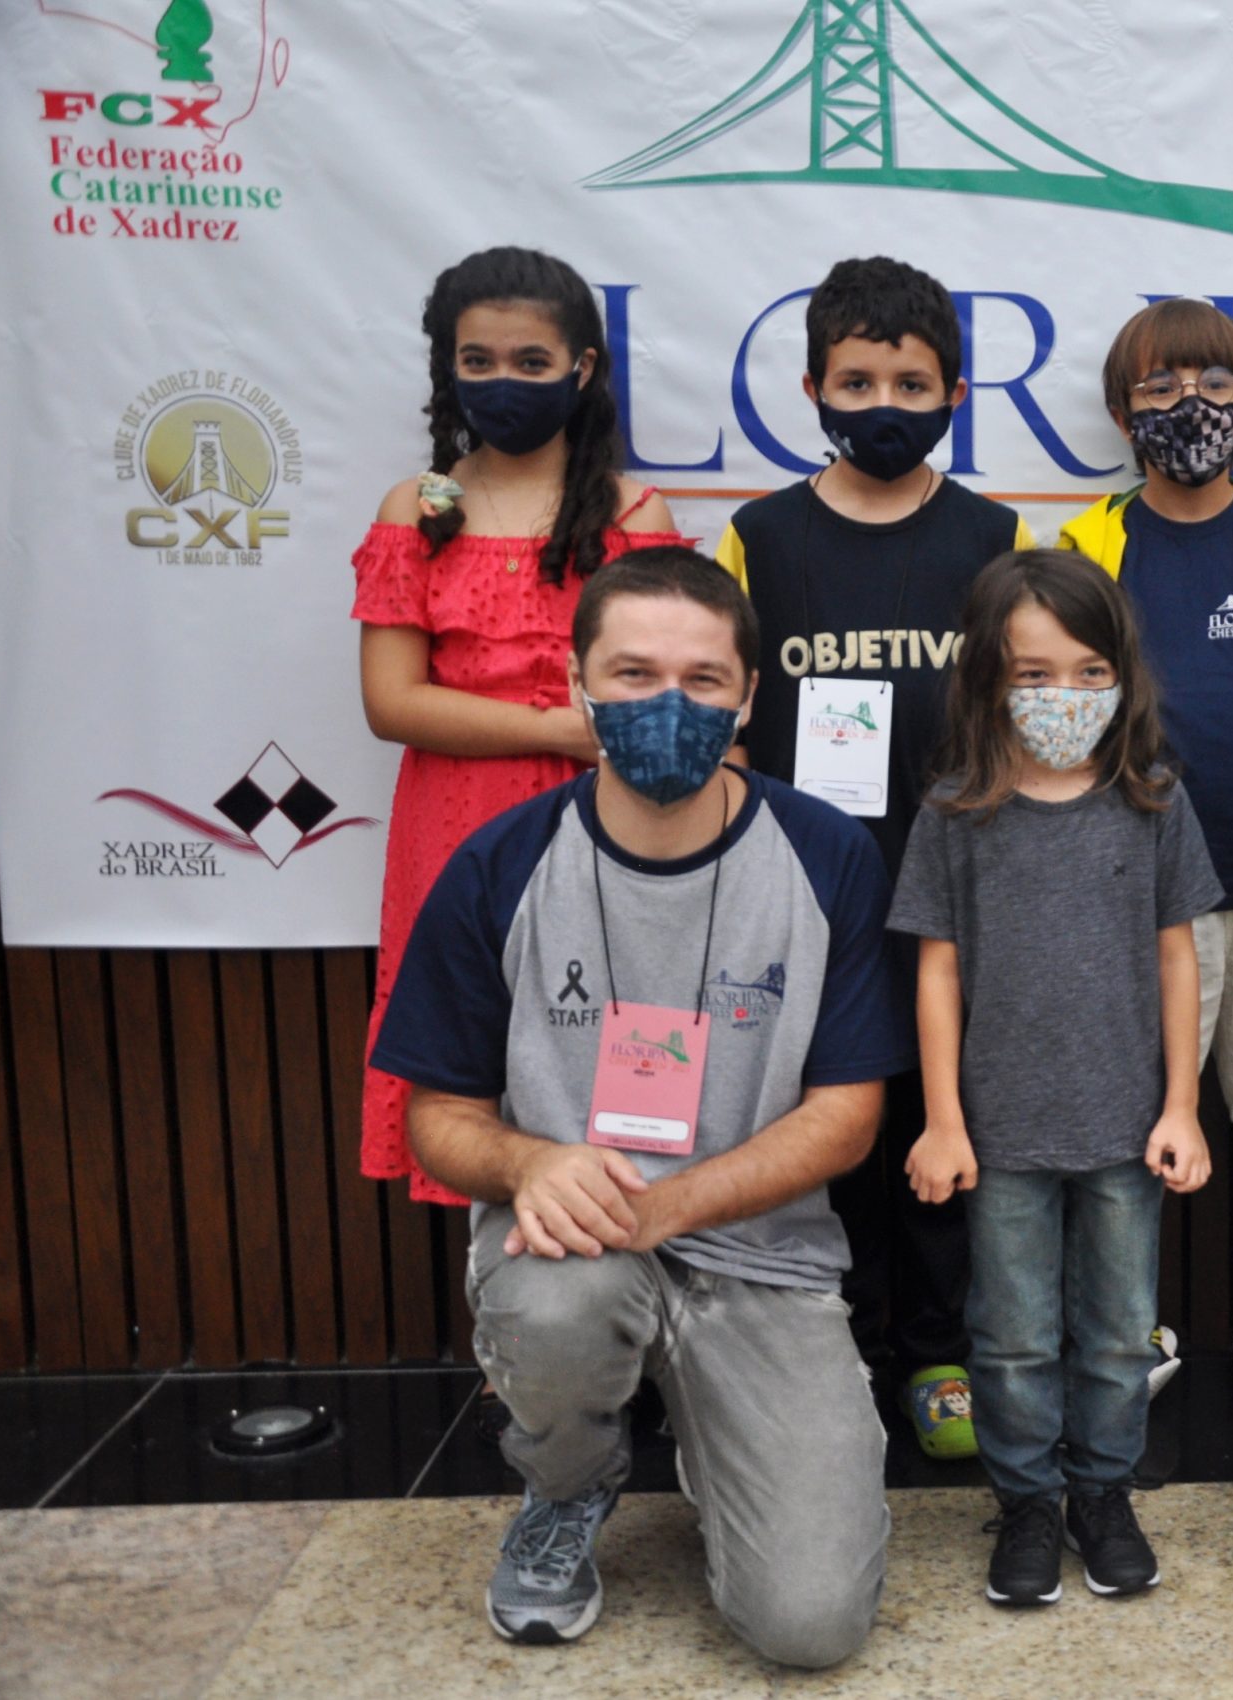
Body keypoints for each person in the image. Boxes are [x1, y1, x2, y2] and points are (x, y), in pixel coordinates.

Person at [371, 547, 906, 1664]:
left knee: (808, 1624)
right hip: (569, 1242)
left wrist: (667, 1208)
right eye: (632, 672)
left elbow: (846, 1115)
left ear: (750, 695)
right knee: (559, 1308)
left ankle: (749, 1454)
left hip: (763, 1258)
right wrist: (528, 1165)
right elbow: (437, 1116)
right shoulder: (498, 864)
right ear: (577, 684)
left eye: (705, 679)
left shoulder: (825, 854)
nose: (668, 701)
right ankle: (568, 1483)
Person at [713, 256, 1033, 1460]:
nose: (884, 401)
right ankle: (832, 1337)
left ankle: (937, 1349)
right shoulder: (758, 538)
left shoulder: (995, 536)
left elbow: (1025, 709)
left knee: (940, 1126)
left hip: (954, 891)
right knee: (822, 1124)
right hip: (804, 892)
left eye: (910, 380)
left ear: (954, 389)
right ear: (811, 388)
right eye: (857, 379)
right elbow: (728, 716)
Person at [888, 550, 1220, 1607]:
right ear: (987, 678)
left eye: (1086, 670)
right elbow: (935, 966)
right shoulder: (955, 809)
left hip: (1127, 1126)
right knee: (1014, 1331)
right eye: (1032, 674)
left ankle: (1102, 1492)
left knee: (1122, 1329)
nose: (1062, 696)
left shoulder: (1154, 800)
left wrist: (1180, 1104)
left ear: (1122, 672)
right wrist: (942, 1118)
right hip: (1003, 1131)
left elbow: (1180, 954)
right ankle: (1026, 1498)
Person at [1058, 298, 1233, 1417]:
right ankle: (1128, 1320)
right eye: (1164, 386)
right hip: (1139, 897)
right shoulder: (1088, 545)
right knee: (1138, 1118)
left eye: (1218, 386)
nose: (1193, 407)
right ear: (1123, 410)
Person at [356, 245, 680, 1206]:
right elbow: (392, 704)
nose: (504, 382)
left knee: (614, 1037)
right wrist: (558, 729)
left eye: (532, 363)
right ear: (447, 369)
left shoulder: (633, 511)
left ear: (581, 370)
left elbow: (659, 685)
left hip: (609, 824)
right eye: (480, 361)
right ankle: (509, 1346)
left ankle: (623, 1315)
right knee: (469, 1060)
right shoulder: (415, 511)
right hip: (454, 831)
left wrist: (586, 741)